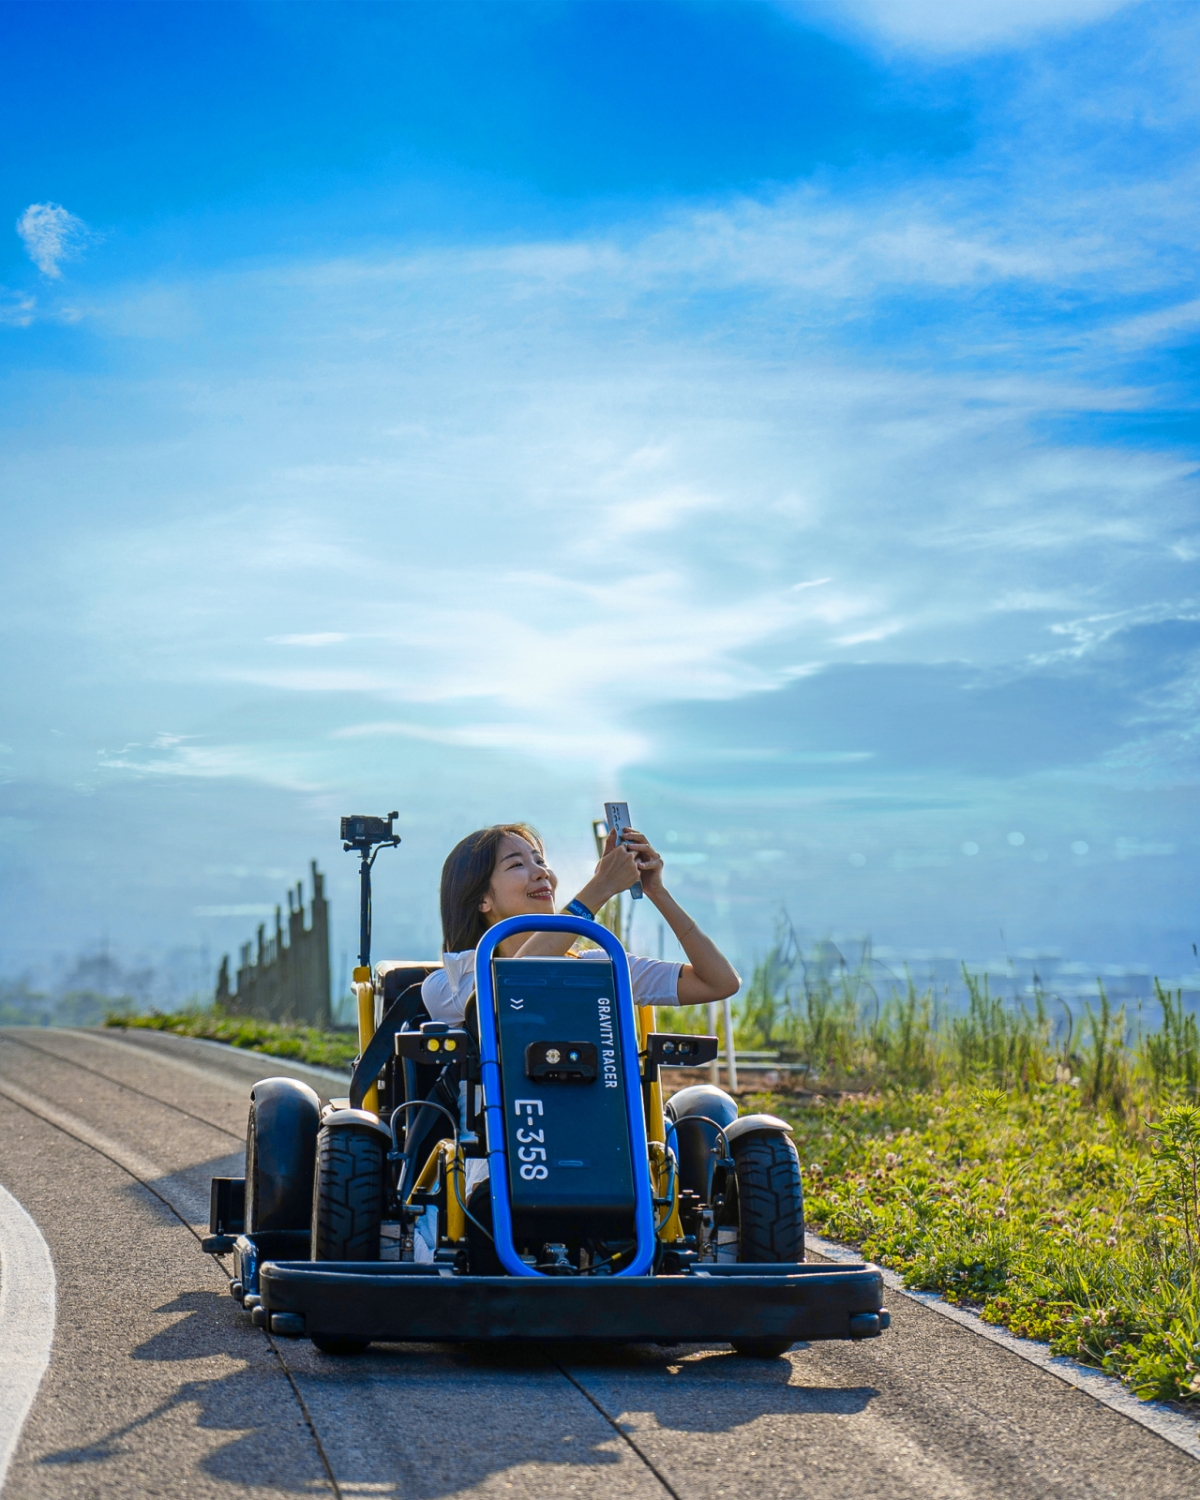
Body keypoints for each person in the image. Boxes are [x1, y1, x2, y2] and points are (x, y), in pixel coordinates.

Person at [420, 822, 740, 1023]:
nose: (541, 872)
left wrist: (656, 890)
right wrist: (599, 888)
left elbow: (719, 982)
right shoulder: (451, 982)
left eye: (540, 861)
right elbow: (515, 985)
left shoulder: (601, 967)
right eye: (517, 864)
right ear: (481, 900)